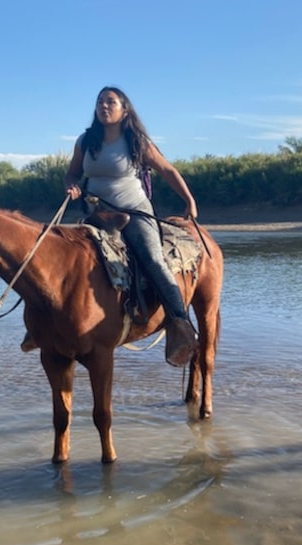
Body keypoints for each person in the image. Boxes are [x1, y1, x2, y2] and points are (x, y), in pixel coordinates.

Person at [65, 86, 199, 367]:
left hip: (134, 211)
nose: (104, 106)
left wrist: (188, 200)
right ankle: (47, 326)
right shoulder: (85, 141)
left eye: (110, 102)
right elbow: (73, 173)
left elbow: (167, 170)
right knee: (63, 257)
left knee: (151, 258)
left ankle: (180, 324)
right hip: (96, 214)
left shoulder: (135, 140)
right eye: (100, 101)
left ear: (124, 110)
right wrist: (72, 185)